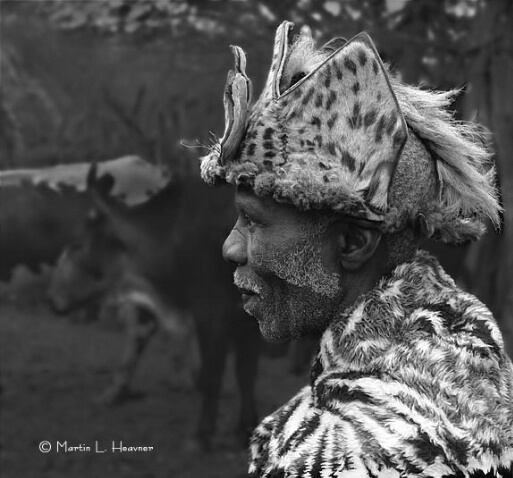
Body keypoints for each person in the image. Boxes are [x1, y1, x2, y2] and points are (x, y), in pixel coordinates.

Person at [200, 21, 513, 477]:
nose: (231, 247)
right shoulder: (471, 352)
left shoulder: (334, 456)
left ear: (352, 242)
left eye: (254, 221)